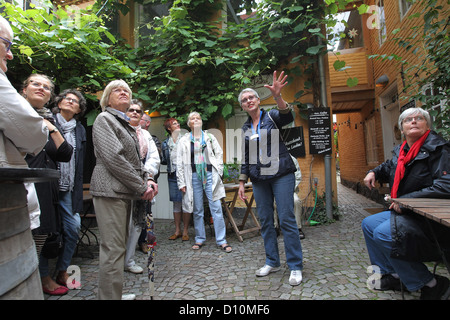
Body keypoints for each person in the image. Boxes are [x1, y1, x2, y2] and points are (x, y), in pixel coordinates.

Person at [361, 107, 450, 300]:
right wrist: (374, 172)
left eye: (419, 118)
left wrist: (407, 201)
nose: (414, 121)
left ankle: (432, 283)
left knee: (384, 233)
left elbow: (445, 186)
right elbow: (388, 166)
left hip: (430, 218)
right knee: (368, 225)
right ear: (402, 128)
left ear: (427, 125)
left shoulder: (438, 149)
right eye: (409, 119)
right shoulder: (402, 151)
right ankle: (394, 275)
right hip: (408, 213)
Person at [90, 80, 157, 300]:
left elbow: (135, 160)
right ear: (107, 98)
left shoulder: (123, 123)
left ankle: (113, 295)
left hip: (121, 191)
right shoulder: (104, 119)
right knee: (113, 250)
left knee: (118, 248)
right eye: (117, 90)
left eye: (126, 90)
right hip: (110, 190)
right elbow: (114, 159)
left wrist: (147, 178)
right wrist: (140, 186)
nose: (123, 92)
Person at [237, 71, 303, 286]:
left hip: (281, 174)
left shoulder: (272, 116)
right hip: (258, 179)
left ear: (258, 100)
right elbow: (245, 156)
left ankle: (295, 266)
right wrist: (241, 182)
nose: (249, 101)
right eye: (244, 100)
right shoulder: (246, 127)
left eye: (251, 97)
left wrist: (277, 96)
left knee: (286, 218)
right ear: (243, 106)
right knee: (265, 220)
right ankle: (272, 261)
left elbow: (288, 116)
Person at [22, 74, 74, 296]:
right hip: (22, 186)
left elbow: (65, 153)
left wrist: (51, 129)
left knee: (41, 236)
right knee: (21, 236)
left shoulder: (49, 120)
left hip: (47, 187)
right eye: (35, 84)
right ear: (24, 89)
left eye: (46, 87)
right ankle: (25, 283)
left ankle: (37, 280)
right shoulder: (15, 113)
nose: (41, 88)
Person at [0, 16, 48, 233]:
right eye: (6, 44)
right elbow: (35, 136)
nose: (10, 54)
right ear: (23, 90)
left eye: (46, 87)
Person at [176, 111, 232, 252]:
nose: (196, 120)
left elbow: (218, 154)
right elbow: (179, 162)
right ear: (189, 124)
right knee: (198, 209)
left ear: (201, 121)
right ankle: (200, 238)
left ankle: (221, 240)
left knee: (216, 207)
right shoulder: (184, 140)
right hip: (193, 176)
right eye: (192, 118)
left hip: (209, 174)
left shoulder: (209, 137)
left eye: (198, 118)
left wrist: (218, 171)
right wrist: (181, 182)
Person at [51, 89, 87, 290]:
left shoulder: (79, 129)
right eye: (67, 98)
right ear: (60, 101)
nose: (70, 102)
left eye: (75, 101)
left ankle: (63, 269)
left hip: (69, 187)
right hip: (49, 185)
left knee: (73, 227)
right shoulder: (48, 121)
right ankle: (43, 275)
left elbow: (79, 161)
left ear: (79, 109)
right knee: (47, 231)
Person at [124, 99, 160, 274]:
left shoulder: (146, 136)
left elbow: (154, 158)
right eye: (131, 110)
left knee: (137, 223)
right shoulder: (119, 130)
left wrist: (146, 177)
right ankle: (117, 262)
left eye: (138, 111)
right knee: (120, 224)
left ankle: (129, 260)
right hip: (122, 184)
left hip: (142, 184)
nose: (135, 113)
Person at [162, 117, 191, 241]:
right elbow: (164, 160)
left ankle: (185, 231)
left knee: (186, 202)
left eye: (178, 123)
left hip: (185, 173)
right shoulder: (165, 143)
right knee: (176, 203)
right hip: (172, 174)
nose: (178, 124)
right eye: (174, 124)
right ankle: (177, 231)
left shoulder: (185, 139)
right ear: (169, 128)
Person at [138, 111, 161, 252]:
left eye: (141, 118)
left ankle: (144, 241)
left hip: (147, 182)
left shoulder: (153, 139)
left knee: (146, 213)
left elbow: (157, 156)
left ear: (147, 123)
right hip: (133, 182)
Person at [274, 154, 305, 239]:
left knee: (296, 201)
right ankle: (275, 227)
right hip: (274, 192)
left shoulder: (292, 159)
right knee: (271, 202)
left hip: (290, 190)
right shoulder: (270, 158)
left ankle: (298, 228)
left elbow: (298, 177)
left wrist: (288, 189)